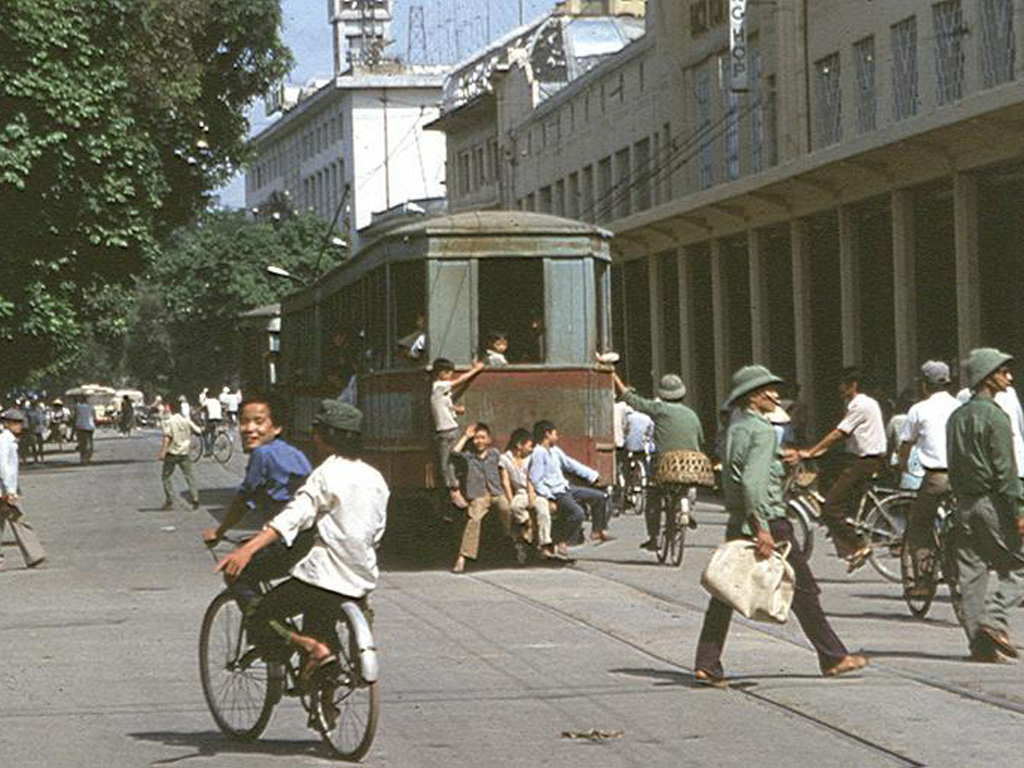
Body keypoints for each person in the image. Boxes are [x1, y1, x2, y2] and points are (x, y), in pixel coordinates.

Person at [694, 365, 867, 686]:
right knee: (804, 590)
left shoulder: (736, 426)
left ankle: (707, 662)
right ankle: (833, 657)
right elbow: (751, 482)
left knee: (725, 591)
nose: (774, 395)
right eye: (767, 391)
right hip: (768, 520)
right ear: (752, 397)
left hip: (740, 518)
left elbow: (739, 473)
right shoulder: (760, 430)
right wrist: (761, 529)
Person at [216, 401, 388, 683]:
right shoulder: (376, 478)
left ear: (322, 436)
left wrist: (247, 549)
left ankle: (310, 647)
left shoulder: (326, 474)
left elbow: (292, 518)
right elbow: (376, 531)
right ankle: (326, 702)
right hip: (361, 578)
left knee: (259, 613)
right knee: (321, 619)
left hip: (321, 579)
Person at [946, 348, 1024, 663]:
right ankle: (994, 621)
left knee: (971, 573)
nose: (1010, 377)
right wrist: (1018, 511)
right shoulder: (996, 416)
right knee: (1018, 567)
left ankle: (980, 644)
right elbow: (1005, 471)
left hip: (963, 503)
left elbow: (951, 463)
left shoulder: (956, 417)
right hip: (991, 503)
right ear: (989, 377)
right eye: (1004, 372)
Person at [202, 393, 314, 611]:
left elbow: (244, 499)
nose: (249, 428)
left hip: (287, 542)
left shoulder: (262, 454)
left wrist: (219, 531)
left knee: (235, 571)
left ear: (277, 427)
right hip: (308, 538)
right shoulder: (296, 454)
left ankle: (267, 634)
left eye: (259, 422)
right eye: (244, 421)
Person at [797, 368, 885, 571]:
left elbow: (839, 433)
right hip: (861, 458)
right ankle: (845, 539)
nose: (840, 389)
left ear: (852, 385)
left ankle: (858, 545)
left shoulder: (860, 405)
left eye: (842, 384)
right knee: (831, 481)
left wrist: (812, 451)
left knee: (831, 507)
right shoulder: (864, 403)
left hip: (865, 460)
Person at [613, 372, 705, 550]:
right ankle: (687, 507)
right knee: (686, 486)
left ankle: (654, 537)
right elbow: (700, 440)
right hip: (692, 465)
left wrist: (614, 376)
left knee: (654, 497)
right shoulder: (692, 415)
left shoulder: (660, 409)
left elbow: (633, 400)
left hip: (666, 465)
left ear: (662, 394)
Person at [898, 361, 960, 596]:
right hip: (961, 477)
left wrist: (903, 466)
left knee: (919, 524)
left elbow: (906, 444)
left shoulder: (918, 410)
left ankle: (923, 581)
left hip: (936, 477)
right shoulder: (960, 406)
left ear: (924, 385)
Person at [529, 420, 611, 556]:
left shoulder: (554, 451)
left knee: (600, 497)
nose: (557, 436)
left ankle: (597, 530)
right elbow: (535, 479)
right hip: (557, 492)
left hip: (566, 487)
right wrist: (548, 496)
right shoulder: (539, 453)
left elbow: (570, 464)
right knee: (578, 513)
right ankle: (562, 540)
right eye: (555, 434)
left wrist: (592, 475)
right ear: (547, 434)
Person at [451, 423, 513, 573]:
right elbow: (454, 452)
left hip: (496, 493)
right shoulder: (469, 457)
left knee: (507, 508)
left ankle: (510, 537)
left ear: (488, 440)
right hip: (480, 495)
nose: (479, 441)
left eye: (482, 438)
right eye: (476, 438)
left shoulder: (494, 454)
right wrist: (466, 436)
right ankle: (463, 557)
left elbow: (509, 463)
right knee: (474, 519)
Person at [430, 357, 484, 510]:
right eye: (449, 373)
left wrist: (455, 409)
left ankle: (455, 490)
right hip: (449, 429)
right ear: (441, 373)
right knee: (449, 461)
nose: (451, 376)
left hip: (447, 429)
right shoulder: (439, 386)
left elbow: (444, 404)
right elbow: (461, 380)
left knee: (447, 462)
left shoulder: (439, 388)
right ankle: (455, 489)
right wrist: (475, 370)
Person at [0, 409, 47, 571]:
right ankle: (35, 556)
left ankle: (34, 556)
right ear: (7, 423)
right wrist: (9, 491)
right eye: (16, 422)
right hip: (5, 490)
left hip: (6, 489)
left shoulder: (10, 440)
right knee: (19, 519)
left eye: (20, 422)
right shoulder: (5, 441)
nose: (19, 425)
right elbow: (3, 468)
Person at [500, 428, 549, 557]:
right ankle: (528, 523)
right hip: (520, 493)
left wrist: (532, 499)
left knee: (543, 508)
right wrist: (510, 500)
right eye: (529, 445)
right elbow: (505, 481)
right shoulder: (505, 459)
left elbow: (530, 479)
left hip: (535, 492)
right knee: (515, 506)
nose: (532, 448)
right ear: (519, 445)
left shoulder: (531, 458)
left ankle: (545, 543)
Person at [158, 399, 202, 510]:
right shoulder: (186, 420)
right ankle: (195, 497)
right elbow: (198, 431)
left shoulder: (169, 421)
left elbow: (167, 437)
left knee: (166, 476)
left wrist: (162, 452)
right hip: (184, 452)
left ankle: (170, 499)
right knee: (189, 476)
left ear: (171, 408)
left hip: (172, 452)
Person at [74, 396, 96, 462]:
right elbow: (94, 416)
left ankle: (82, 457)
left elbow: (75, 415)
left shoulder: (78, 407)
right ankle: (90, 456)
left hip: (80, 426)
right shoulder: (91, 407)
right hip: (90, 426)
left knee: (82, 442)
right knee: (90, 441)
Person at [202, 387, 224, 453]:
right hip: (219, 419)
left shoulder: (207, 401)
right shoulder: (217, 400)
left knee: (205, 434)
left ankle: (208, 450)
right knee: (213, 433)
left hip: (211, 419)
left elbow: (201, 407)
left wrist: (194, 413)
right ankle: (212, 446)